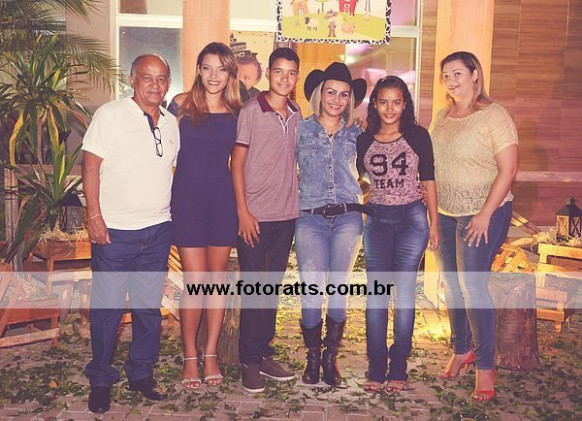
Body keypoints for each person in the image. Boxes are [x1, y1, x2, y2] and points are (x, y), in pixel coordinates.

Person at [82, 54, 180, 413]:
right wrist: (95, 217)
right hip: (115, 233)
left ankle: (141, 373)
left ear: (168, 83)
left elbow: (169, 171)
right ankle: (100, 380)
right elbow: (90, 167)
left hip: (157, 231)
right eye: (147, 77)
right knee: (107, 310)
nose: (155, 85)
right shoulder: (110, 115)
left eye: (161, 78)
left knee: (148, 309)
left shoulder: (171, 123)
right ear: (132, 79)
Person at [430, 51, 518, 403]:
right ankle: (461, 349)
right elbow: (432, 165)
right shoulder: (442, 116)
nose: (451, 81)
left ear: (474, 75)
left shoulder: (495, 115)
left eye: (457, 74)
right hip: (446, 212)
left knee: (472, 287)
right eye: (446, 76)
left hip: (484, 212)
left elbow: (508, 169)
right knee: (452, 286)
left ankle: (485, 366)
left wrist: (484, 214)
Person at [357, 76, 439, 394]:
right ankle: (376, 367)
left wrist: (434, 225)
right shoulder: (364, 140)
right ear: (375, 104)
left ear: (405, 104)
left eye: (396, 102)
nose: (389, 109)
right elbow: (356, 180)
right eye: (383, 102)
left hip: (411, 221)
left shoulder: (418, 136)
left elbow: (429, 180)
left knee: (404, 296)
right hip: (377, 223)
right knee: (376, 297)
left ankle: (399, 366)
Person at [168, 42, 241, 390]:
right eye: (207, 67)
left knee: (216, 281)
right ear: (198, 69)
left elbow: (242, 164)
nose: (214, 75)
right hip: (187, 200)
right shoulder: (180, 105)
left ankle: (210, 353)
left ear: (230, 74)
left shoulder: (237, 112)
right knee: (195, 281)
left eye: (221, 69)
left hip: (222, 201)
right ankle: (190, 356)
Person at [231, 47, 302, 393]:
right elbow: (236, 164)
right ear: (269, 74)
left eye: (291, 73)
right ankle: (248, 360)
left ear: (296, 77)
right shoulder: (251, 111)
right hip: (255, 218)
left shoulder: (297, 113)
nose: (284, 78)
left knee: (271, 290)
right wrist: (243, 212)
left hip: (286, 216)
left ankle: (263, 353)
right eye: (279, 71)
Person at [295, 62, 367, 387]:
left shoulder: (358, 134)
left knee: (339, 288)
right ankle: (312, 357)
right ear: (319, 95)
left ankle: (329, 358)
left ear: (350, 99)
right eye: (331, 93)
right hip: (309, 217)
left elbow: (377, 168)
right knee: (311, 290)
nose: (337, 100)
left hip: (348, 217)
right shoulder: (300, 130)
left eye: (343, 94)